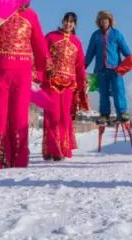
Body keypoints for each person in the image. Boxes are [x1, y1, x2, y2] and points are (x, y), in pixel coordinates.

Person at [0, 0, 49, 169]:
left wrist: (42, 74)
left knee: (18, 116)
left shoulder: (31, 16)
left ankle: (18, 160)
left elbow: (40, 46)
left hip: (22, 73)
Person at [42, 12, 88, 160]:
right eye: (66, 21)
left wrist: (82, 85)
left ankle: (62, 148)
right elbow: (42, 54)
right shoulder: (50, 37)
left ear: (74, 25)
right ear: (62, 21)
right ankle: (52, 149)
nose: (68, 24)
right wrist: (46, 70)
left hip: (69, 85)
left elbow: (80, 66)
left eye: (71, 22)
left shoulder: (77, 42)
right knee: (52, 114)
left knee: (64, 116)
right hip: (52, 82)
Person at [84, 11, 132, 126]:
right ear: (99, 22)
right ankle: (104, 115)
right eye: (102, 20)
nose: (104, 22)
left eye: (106, 19)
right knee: (103, 93)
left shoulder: (117, 34)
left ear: (110, 21)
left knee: (118, 90)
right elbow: (90, 53)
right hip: (101, 70)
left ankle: (122, 113)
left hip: (115, 69)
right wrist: (82, 66)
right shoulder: (95, 35)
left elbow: (125, 50)